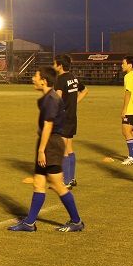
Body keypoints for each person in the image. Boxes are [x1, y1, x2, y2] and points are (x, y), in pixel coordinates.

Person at [8, 66, 84, 232]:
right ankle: (29, 223)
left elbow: (48, 126)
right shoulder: (48, 98)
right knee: (39, 183)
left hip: (51, 144)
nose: (33, 79)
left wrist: (42, 150)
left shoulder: (51, 99)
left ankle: (76, 221)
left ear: (43, 80)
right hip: (48, 143)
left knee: (57, 184)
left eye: (35, 76)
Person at [53, 54, 87, 188]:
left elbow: (58, 98)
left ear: (60, 65)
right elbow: (85, 91)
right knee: (69, 147)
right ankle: (71, 179)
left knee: (63, 149)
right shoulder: (73, 77)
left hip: (63, 117)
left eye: (54, 63)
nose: (53, 66)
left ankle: (66, 182)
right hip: (72, 116)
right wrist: (73, 103)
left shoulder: (60, 79)